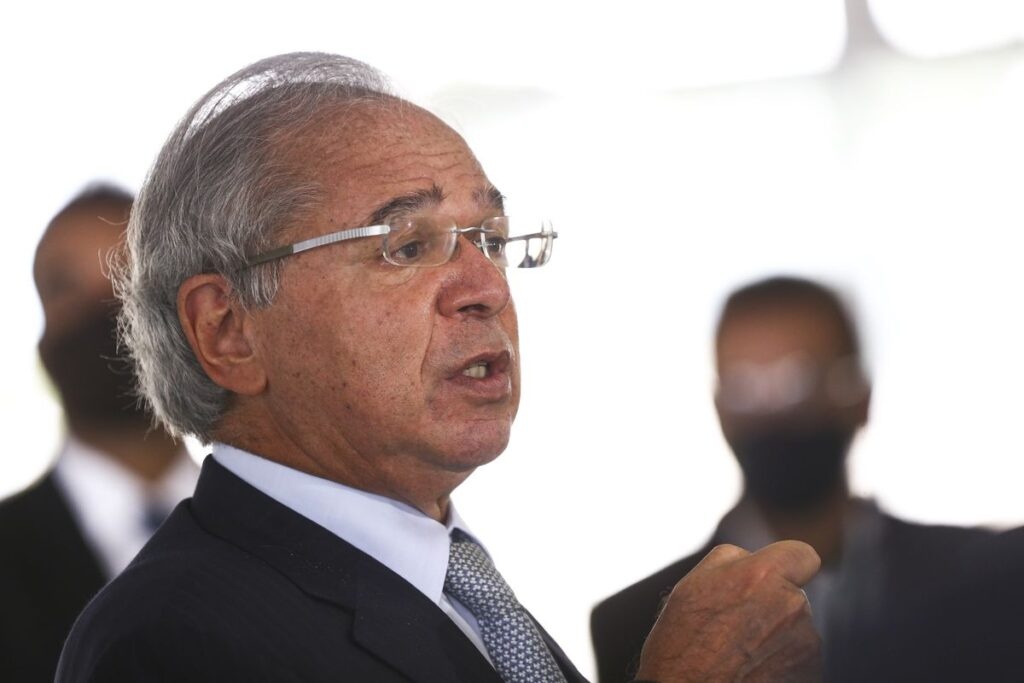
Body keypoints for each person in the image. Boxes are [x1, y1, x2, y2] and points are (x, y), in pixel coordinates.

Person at [57, 53, 821, 683]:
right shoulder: (168, 641)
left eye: (491, 237)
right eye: (408, 246)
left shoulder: (456, 583)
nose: (486, 287)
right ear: (227, 330)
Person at [591, 276, 994, 683]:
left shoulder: (989, 579)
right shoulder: (634, 624)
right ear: (720, 409)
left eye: (798, 382)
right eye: (745, 386)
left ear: (861, 396)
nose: (774, 412)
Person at [0, 185, 198, 683]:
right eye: (67, 287)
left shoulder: (294, 528)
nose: (105, 308)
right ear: (41, 340)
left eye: (129, 279)